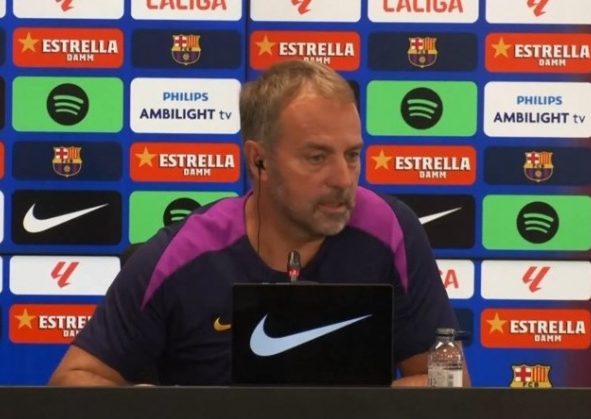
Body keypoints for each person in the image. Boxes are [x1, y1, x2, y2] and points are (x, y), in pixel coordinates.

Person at [48, 60, 471, 387]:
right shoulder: (184, 253)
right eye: (317, 157)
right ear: (258, 161)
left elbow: (448, 380)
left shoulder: (390, 229)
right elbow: (72, 380)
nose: (344, 179)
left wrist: (353, 408)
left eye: (352, 155)